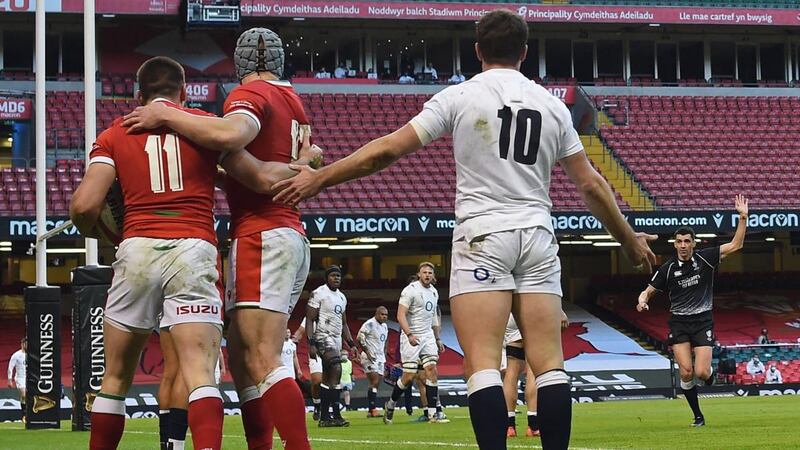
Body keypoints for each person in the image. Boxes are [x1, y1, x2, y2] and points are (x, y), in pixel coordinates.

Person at [270, 9, 657, 450]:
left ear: (477, 51)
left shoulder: (460, 96)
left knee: (484, 366)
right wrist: (628, 238)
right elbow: (591, 184)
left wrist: (320, 178)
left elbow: (386, 151)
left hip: (484, 235)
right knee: (549, 365)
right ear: (525, 52)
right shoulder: (552, 105)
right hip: (536, 235)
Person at [123, 28, 319, 450]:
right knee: (245, 363)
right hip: (287, 234)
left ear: (240, 63)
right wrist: (307, 161)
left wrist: (168, 115)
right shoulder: (294, 102)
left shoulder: (248, 98)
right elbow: (262, 168)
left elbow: (235, 139)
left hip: (263, 231)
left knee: (262, 358)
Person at [637, 195, 749, 428]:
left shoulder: (706, 259)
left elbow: (736, 245)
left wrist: (743, 217)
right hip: (678, 323)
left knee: (701, 371)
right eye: (679, 241)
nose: (683, 245)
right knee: (686, 372)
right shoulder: (668, 269)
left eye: (687, 241)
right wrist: (643, 301)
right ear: (675, 244)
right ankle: (698, 415)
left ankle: (710, 377)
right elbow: (648, 290)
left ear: (694, 243)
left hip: (702, 321)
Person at [381, 262, 448, 425]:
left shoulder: (433, 292)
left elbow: (434, 317)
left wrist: (437, 338)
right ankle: (390, 404)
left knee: (432, 370)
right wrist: (409, 334)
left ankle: (433, 414)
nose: (427, 275)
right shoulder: (410, 290)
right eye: (424, 272)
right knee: (409, 376)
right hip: (411, 336)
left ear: (433, 275)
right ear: (419, 274)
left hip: (428, 337)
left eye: (430, 273)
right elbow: (400, 315)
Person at [307, 266, 355, 427]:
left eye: (339, 276)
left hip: (336, 340)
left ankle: (325, 418)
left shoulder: (342, 297)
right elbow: (310, 319)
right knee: (336, 368)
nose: (337, 278)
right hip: (322, 336)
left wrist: (351, 343)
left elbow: (344, 324)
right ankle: (336, 414)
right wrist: (311, 343)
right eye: (333, 276)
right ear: (327, 277)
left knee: (329, 379)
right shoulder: (318, 293)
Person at [357, 306, 389, 417]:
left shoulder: (384, 326)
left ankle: (371, 410)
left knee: (377, 383)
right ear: (376, 314)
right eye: (382, 314)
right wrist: (367, 352)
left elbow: (386, 341)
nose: (384, 317)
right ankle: (373, 409)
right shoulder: (369, 324)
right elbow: (360, 337)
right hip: (369, 357)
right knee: (374, 381)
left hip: (380, 358)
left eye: (386, 315)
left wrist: (384, 354)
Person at [294, 318, 324, 420]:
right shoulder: (310, 316)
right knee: (316, 382)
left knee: (331, 383)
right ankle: (317, 406)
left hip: (332, 350)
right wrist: (293, 341)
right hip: (315, 352)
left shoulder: (333, 312)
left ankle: (330, 410)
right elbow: (300, 331)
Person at [7, 338, 26, 423]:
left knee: (26, 397)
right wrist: (10, 380)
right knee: (24, 394)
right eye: (25, 343)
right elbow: (10, 367)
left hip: (30, 378)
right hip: (20, 378)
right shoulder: (16, 355)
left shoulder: (32, 354)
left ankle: (27, 414)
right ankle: (25, 414)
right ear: (22, 344)